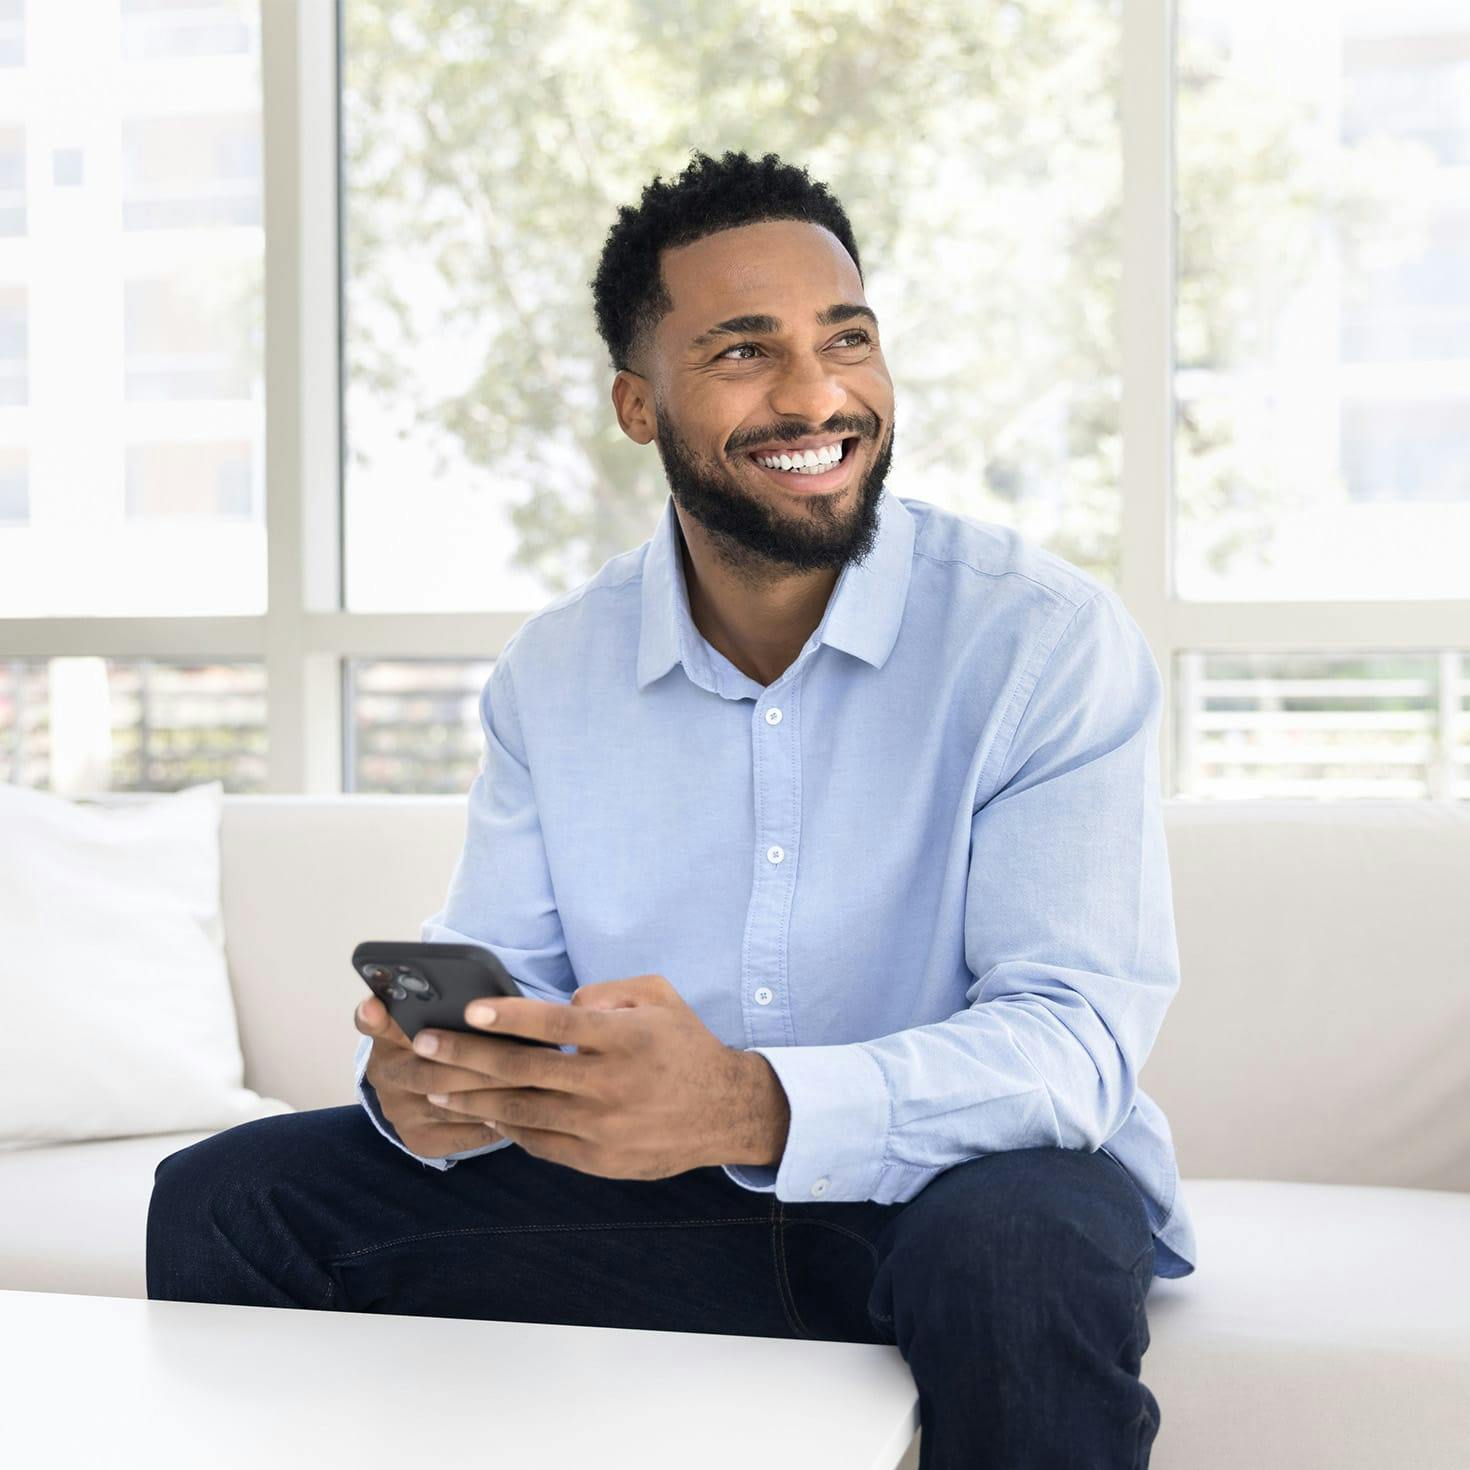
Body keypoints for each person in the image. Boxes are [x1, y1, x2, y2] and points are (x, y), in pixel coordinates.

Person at [149, 148, 1197, 1468]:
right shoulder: (558, 668)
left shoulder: (1037, 640)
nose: (815, 393)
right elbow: (512, 973)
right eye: (745, 352)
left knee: (1014, 1249)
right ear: (638, 407)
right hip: (652, 1202)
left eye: (846, 339)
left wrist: (754, 1103)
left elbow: (1072, 1043)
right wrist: (438, 1081)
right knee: (228, 1196)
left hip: (958, 1195)